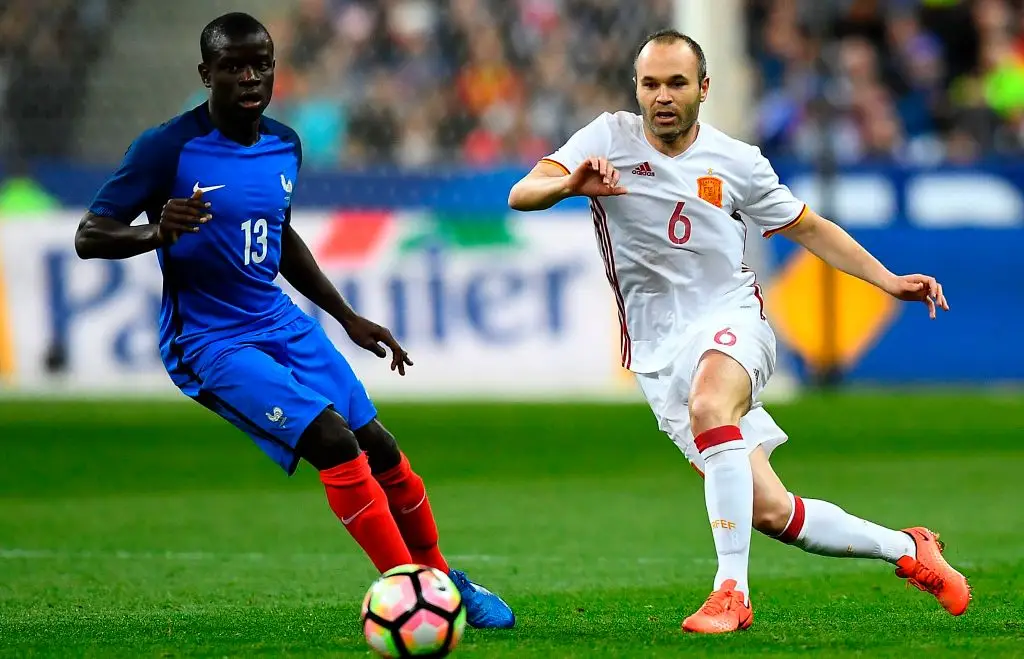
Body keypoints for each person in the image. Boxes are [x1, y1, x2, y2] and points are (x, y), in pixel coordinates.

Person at [508, 28, 968, 634]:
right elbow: (523, 193)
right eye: (651, 84)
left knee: (710, 402)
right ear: (637, 90)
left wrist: (887, 280)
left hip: (731, 320)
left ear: (703, 88)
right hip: (654, 352)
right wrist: (568, 184)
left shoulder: (737, 161)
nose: (662, 96)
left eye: (676, 83)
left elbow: (808, 227)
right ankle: (909, 550)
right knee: (773, 511)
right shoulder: (607, 138)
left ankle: (731, 592)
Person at [74, 12, 514, 630]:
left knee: (380, 446)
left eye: (261, 63)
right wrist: (154, 230)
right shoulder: (167, 147)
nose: (250, 77)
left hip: (280, 321)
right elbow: (89, 236)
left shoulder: (285, 143)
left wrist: (347, 316)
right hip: (210, 341)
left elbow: (279, 237)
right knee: (334, 442)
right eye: (233, 66)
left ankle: (441, 578)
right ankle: (412, 595)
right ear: (206, 74)